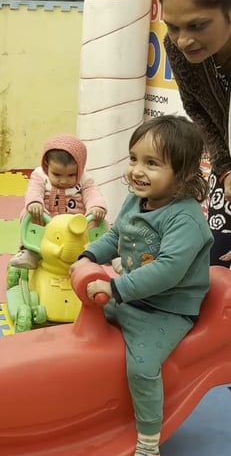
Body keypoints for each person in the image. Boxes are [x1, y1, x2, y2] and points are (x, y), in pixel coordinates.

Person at [70, 115, 213, 456]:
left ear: (183, 174)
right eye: (134, 159)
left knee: (142, 366)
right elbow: (119, 235)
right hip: (131, 295)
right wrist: (89, 255)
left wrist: (116, 287)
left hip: (166, 310)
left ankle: (149, 440)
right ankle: (89, 404)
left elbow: (168, 271)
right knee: (83, 332)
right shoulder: (137, 199)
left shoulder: (185, 218)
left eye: (152, 164)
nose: (137, 170)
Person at [159, 0, 231, 267]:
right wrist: (225, 168)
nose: (184, 40)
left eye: (197, 25)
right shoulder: (175, 47)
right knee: (216, 267)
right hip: (228, 167)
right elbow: (196, 108)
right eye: (173, 27)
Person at [9, 133, 107, 269]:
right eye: (57, 174)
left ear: (80, 168)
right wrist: (35, 203)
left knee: (99, 221)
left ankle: (104, 251)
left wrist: (97, 207)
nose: (64, 181)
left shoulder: (85, 180)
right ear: (46, 165)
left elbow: (93, 194)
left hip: (75, 227)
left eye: (71, 175)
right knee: (27, 213)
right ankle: (30, 251)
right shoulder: (40, 176)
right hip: (47, 222)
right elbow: (33, 190)